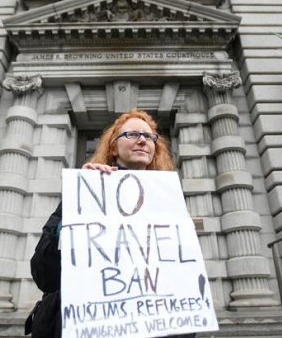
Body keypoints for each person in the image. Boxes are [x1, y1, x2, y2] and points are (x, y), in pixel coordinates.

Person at [28, 110, 195, 337]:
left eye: (150, 136)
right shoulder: (86, 192)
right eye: (133, 134)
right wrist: (80, 203)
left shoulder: (167, 202)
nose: (143, 140)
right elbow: (44, 275)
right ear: (113, 147)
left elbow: (181, 278)